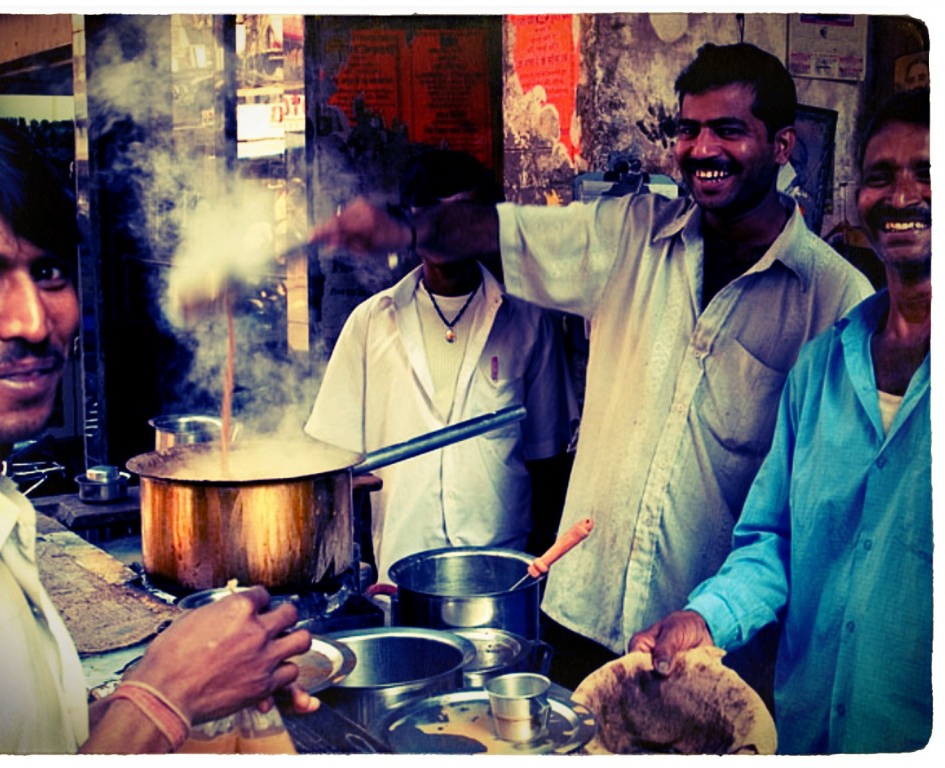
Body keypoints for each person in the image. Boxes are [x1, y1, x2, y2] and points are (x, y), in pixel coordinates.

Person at [310, 43, 873, 688]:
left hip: (711, 642)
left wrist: (729, 617)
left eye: (728, 130)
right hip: (580, 609)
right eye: (688, 129)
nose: (702, 149)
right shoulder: (630, 235)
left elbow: (818, 517)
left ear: (782, 146)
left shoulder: (836, 301)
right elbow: (509, 232)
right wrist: (406, 227)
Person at [0, 108, 318, 755]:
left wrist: (202, 685)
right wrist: (163, 695)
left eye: (49, 272)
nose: (33, 320)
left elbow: (23, 737)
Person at [630, 87, 931, 754]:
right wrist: (706, 616)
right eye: (881, 175)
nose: (904, 195)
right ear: (859, 199)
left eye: (928, 172)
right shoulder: (824, 367)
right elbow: (775, 541)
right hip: (807, 737)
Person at [305, 149, 576, 578]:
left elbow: (547, 459)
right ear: (409, 221)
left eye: (464, 215)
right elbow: (333, 461)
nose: (447, 232)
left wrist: (542, 572)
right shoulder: (372, 323)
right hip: (400, 568)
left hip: (503, 568)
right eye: (431, 213)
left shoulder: (527, 320)